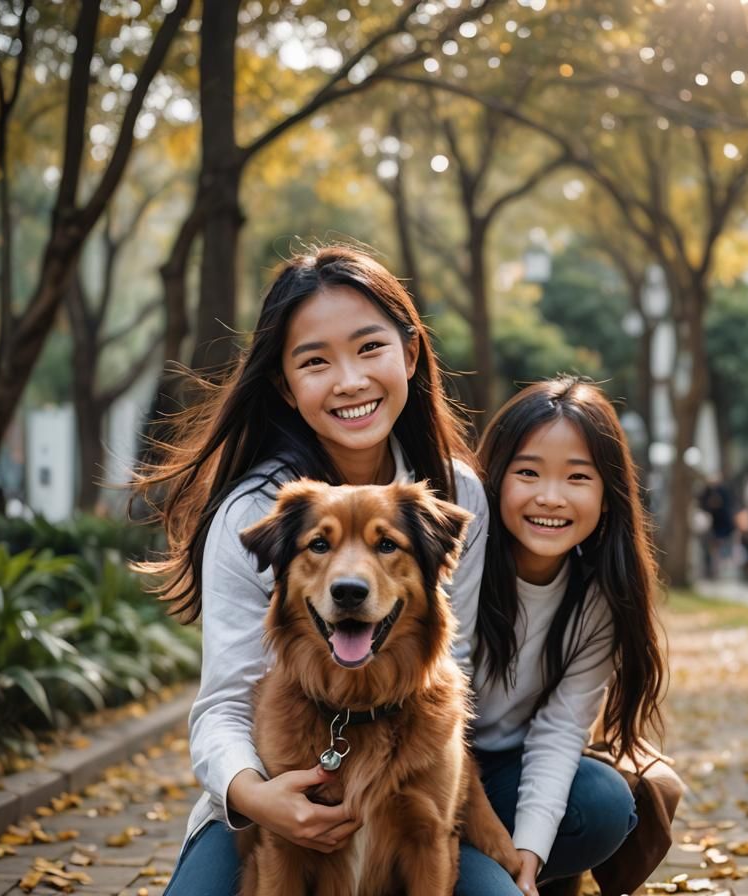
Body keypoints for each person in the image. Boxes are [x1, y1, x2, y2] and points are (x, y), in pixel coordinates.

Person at [133, 245, 488, 896]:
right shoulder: (253, 510)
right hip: (264, 797)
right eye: (315, 361)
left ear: (409, 354)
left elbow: (448, 646)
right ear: (285, 385)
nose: (349, 380)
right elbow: (221, 704)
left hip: (412, 756)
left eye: (369, 348)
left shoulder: (453, 494)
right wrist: (260, 799)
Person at [459, 376, 667, 896]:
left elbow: (558, 733)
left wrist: (527, 854)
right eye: (527, 472)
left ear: (607, 493)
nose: (550, 498)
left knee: (606, 802)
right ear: (495, 477)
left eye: (578, 477)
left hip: (504, 774)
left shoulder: (599, 597)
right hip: (423, 771)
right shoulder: (460, 562)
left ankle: (505, 869)